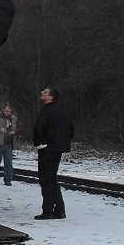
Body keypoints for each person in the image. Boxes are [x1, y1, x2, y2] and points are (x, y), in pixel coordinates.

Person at [32, 86, 72, 220]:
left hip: (47, 148)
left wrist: (39, 143)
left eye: (45, 92)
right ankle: (60, 209)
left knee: (45, 180)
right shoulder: (62, 111)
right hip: (58, 148)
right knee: (53, 178)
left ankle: (48, 210)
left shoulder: (46, 111)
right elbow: (71, 129)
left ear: (50, 97)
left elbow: (39, 128)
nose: (42, 93)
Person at [0, 102, 20, 185]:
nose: (8, 113)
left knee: (8, 163)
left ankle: (8, 180)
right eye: (6, 111)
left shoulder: (14, 118)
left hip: (8, 143)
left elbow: (20, 127)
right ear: (3, 110)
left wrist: (15, 131)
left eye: (9, 111)